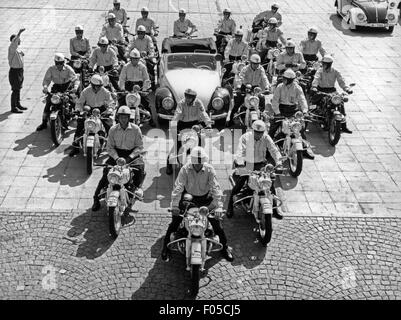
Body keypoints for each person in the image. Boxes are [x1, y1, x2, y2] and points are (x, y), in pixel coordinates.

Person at [161, 146, 234, 262]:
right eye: (196, 162)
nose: (199, 165)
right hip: (188, 199)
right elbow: (178, 187)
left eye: (201, 162)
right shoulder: (185, 169)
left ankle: (224, 247)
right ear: (192, 161)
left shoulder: (209, 169)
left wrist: (219, 207)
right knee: (175, 221)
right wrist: (174, 206)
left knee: (217, 224)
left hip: (206, 198)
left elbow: (216, 188)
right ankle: (165, 247)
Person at [92, 106, 146, 211]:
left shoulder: (136, 129)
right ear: (118, 117)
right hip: (116, 153)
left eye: (125, 117)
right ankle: (96, 198)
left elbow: (140, 146)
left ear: (129, 117)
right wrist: (117, 158)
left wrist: (129, 158)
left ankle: (136, 188)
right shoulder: (113, 129)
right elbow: (109, 147)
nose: (123, 119)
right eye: (121, 117)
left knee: (139, 168)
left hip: (131, 154)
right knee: (106, 172)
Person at [227, 120, 283, 219]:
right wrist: (240, 163)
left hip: (260, 163)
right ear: (252, 131)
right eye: (256, 132)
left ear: (264, 132)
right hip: (246, 163)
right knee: (240, 182)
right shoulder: (245, 137)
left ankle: (274, 208)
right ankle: (230, 206)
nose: (258, 134)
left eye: (260, 132)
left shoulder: (266, 138)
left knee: (270, 183)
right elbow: (240, 151)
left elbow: (274, 150)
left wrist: (279, 162)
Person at [269, 69, 315, 159]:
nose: (283, 80)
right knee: (273, 128)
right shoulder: (280, 87)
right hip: (281, 109)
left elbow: (302, 100)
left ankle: (305, 150)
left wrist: (305, 111)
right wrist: (277, 113)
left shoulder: (297, 88)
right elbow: (275, 101)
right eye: (283, 78)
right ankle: (268, 149)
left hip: (293, 110)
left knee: (300, 129)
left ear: (290, 80)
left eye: (285, 79)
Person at [166, 89, 212, 175]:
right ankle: (169, 163)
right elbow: (177, 114)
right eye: (186, 97)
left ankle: (200, 162)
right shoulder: (181, 103)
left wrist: (208, 123)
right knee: (177, 145)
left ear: (193, 98)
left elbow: (204, 114)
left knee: (201, 143)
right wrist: (173, 125)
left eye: (189, 98)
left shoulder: (198, 103)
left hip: (195, 124)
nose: (187, 99)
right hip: (182, 125)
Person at [69, 75, 115, 157]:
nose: (98, 88)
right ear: (92, 85)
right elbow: (79, 103)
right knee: (80, 125)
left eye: (100, 86)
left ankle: (113, 146)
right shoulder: (86, 91)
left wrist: (110, 110)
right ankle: (75, 147)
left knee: (109, 126)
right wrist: (79, 110)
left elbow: (111, 102)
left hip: (101, 110)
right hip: (89, 109)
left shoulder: (105, 91)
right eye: (96, 86)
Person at [311, 55, 353, 134]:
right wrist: (314, 86)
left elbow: (341, 81)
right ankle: (321, 117)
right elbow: (316, 78)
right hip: (321, 90)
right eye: (323, 63)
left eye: (325, 64)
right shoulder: (320, 71)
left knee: (341, 103)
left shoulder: (335, 71)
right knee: (320, 103)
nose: (323, 65)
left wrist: (346, 88)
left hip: (332, 91)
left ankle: (344, 126)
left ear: (330, 64)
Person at [36, 53, 79, 131]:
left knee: (73, 101)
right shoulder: (51, 69)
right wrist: (45, 87)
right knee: (48, 102)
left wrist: (75, 87)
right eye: (57, 63)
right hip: (56, 88)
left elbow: (75, 78)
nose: (59, 65)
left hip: (67, 87)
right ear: (54, 62)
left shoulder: (68, 68)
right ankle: (44, 122)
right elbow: (46, 80)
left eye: (61, 63)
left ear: (63, 62)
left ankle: (76, 118)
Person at [228, 54, 269, 126]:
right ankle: (231, 120)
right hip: (244, 87)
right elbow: (241, 77)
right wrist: (238, 86)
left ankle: (261, 116)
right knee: (237, 102)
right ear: (250, 63)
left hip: (255, 88)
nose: (256, 65)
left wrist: (267, 86)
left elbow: (264, 77)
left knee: (262, 99)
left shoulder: (261, 69)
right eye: (254, 64)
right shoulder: (245, 68)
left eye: (257, 64)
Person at [118, 48, 152, 121]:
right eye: (134, 59)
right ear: (131, 59)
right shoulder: (126, 66)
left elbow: (146, 79)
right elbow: (122, 79)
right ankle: (118, 118)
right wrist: (123, 88)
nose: (135, 61)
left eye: (137, 59)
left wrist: (144, 90)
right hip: (129, 86)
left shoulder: (143, 66)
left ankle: (151, 119)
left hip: (139, 86)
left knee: (146, 103)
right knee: (121, 102)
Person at [8, 28, 27, 113]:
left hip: (20, 71)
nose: (20, 41)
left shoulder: (17, 50)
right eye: (18, 40)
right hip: (14, 72)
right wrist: (19, 32)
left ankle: (18, 104)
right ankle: (13, 107)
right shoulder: (12, 48)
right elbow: (14, 41)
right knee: (15, 89)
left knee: (19, 88)